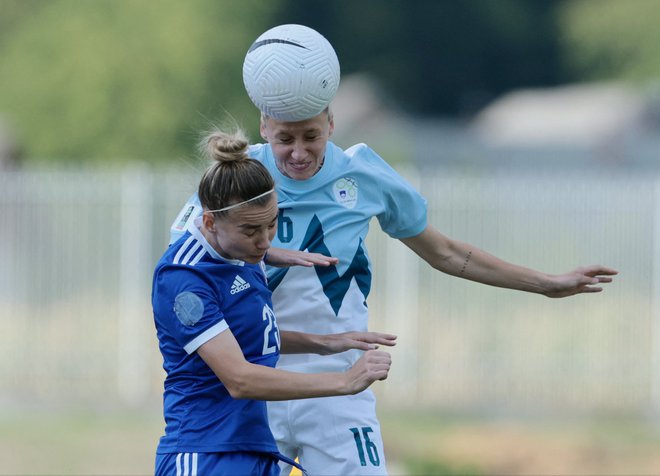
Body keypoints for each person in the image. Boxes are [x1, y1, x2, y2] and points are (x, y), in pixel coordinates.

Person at [170, 27, 618, 476]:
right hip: (255, 383)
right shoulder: (238, 178)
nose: (299, 153)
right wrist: (275, 254)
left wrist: (545, 284)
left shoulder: (364, 174)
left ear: (331, 122)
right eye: (286, 139)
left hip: (340, 385)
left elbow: (446, 253)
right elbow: (185, 258)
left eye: (311, 136)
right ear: (264, 125)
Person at [153, 128, 396, 476]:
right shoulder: (184, 279)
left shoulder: (242, 256)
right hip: (205, 454)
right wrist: (344, 382)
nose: (264, 241)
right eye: (251, 231)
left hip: (253, 450)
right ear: (209, 222)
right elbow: (240, 379)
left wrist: (327, 343)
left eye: (271, 225)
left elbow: (253, 336)